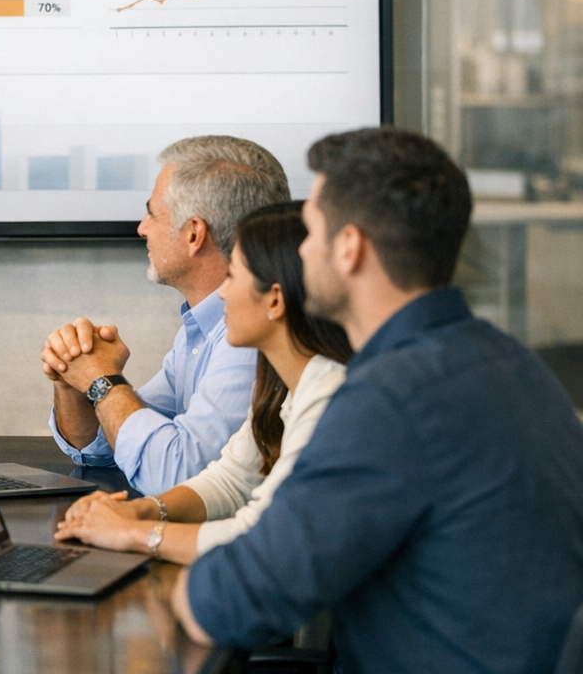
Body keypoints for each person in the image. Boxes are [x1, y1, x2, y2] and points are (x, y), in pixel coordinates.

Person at [173, 128, 583, 674]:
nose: (299, 251)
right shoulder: (512, 363)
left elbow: (226, 604)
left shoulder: (390, 400)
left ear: (350, 248)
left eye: (311, 231)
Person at [53, 201, 351, 564]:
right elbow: (229, 480)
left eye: (233, 276)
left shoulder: (333, 395)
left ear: (275, 299)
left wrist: (133, 533)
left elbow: (258, 539)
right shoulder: (283, 385)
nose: (222, 293)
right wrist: (143, 512)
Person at [40, 135, 290, 495]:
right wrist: (72, 376)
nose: (141, 228)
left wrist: (100, 379)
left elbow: (179, 476)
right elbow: (102, 450)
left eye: (152, 214)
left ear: (193, 234)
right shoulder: (200, 327)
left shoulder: (251, 338)